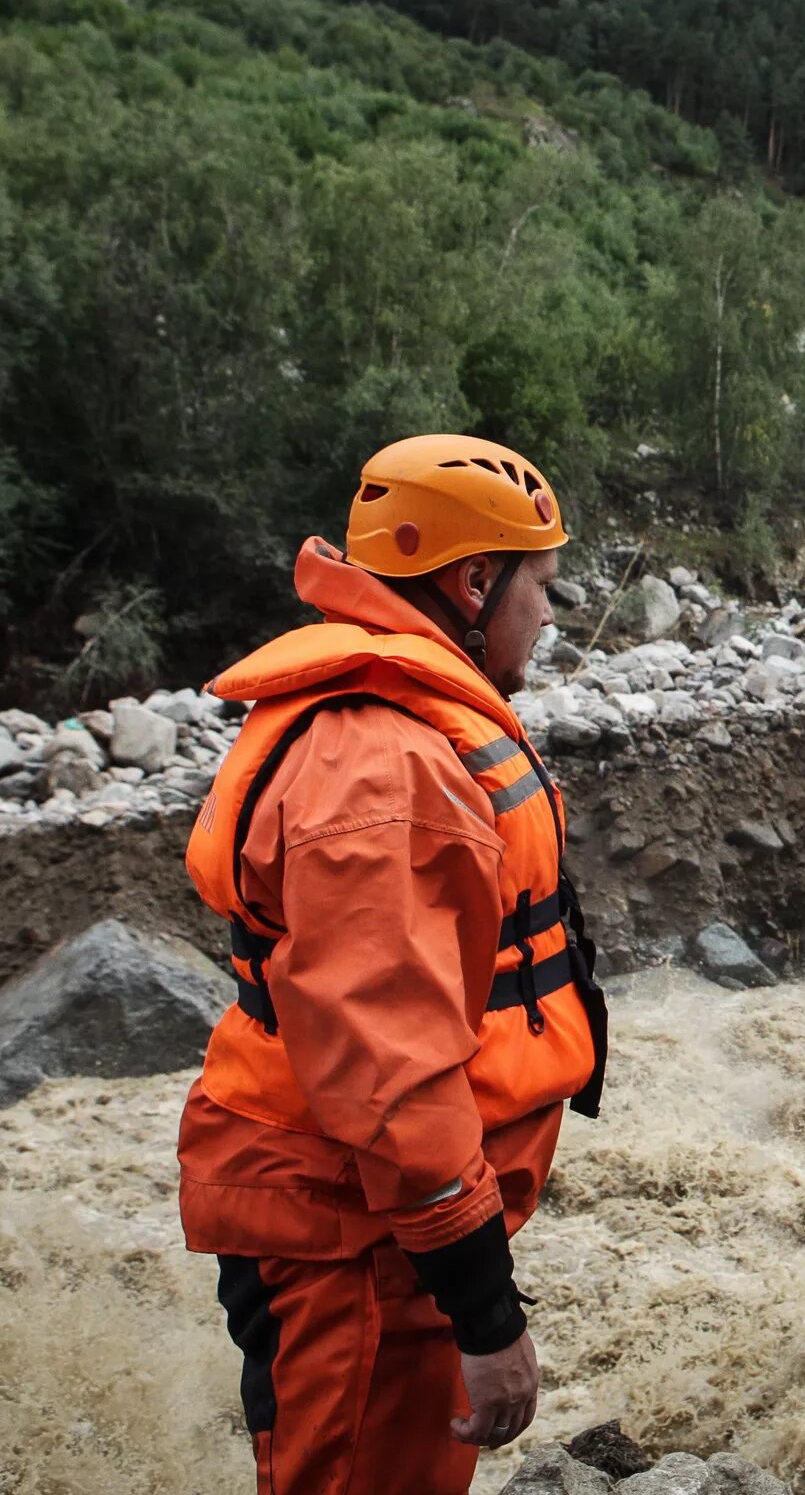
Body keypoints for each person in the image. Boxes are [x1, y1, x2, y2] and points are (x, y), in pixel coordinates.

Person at [177, 434, 608, 1493]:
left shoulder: (399, 728)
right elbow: (392, 1076)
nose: (549, 614)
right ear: (472, 581)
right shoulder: (385, 768)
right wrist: (486, 1310)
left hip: (373, 1228)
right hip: (353, 1241)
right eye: (539, 585)